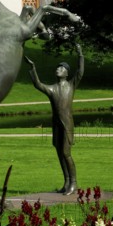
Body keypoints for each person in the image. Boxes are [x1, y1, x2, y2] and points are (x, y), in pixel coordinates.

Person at [25, 44, 84, 195]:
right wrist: (33, 68)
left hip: (66, 126)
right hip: (56, 126)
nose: (58, 69)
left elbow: (80, 72)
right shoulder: (52, 89)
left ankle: (74, 183)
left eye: (61, 68)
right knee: (59, 153)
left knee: (66, 153)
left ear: (66, 73)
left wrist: (80, 54)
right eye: (57, 68)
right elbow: (37, 84)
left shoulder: (71, 85)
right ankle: (66, 182)